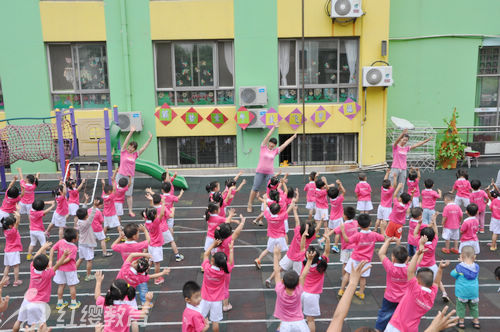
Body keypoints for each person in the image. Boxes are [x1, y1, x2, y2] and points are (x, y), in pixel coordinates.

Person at [385, 241, 450, 332]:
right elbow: (436, 283)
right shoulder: (432, 296)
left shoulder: (414, 290)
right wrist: (440, 269)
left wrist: (417, 254)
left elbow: (410, 271)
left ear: (418, 281)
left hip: (395, 327)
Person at [12, 242, 70, 332]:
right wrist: (64, 255)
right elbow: (58, 265)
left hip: (27, 300)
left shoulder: (32, 268)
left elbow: (35, 257)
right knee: (43, 325)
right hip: (39, 303)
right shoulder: (47, 274)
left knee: (19, 321)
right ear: (47, 266)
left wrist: (43, 247)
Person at [247, 123, 297, 212]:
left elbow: (285, 144)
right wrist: (274, 127)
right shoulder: (263, 147)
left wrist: (293, 137)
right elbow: (268, 135)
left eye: (273, 146)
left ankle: (271, 206)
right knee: (255, 188)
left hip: (269, 173)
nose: (271, 146)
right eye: (270, 145)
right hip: (260, 172)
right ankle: (249, 205)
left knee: (271, 191)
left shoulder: (275, 151)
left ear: (275, 146)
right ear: (268, 143)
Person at [338, 214, 385, 300]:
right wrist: (382, 227)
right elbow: (383, 238)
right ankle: (361, 293)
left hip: (355, 258)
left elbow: (347, 240)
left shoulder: (357, 235)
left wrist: (343, 231)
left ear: (358, 225)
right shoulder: (374, 235)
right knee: (363, 278)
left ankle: (341, 290)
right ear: (370, 223)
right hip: (366, 261)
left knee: (347, 274)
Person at [272, 245, 313, 332]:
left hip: (285, 324)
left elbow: (276, 272)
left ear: (282, 282)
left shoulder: (279, 289)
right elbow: (303, 275)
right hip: (299, 323)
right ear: (298, 283)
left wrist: (275, 255)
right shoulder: (298, 291)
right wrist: (309, 260)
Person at [116, 126, 153, 217]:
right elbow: (125, 142)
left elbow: (144, 148)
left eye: (133, 147)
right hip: (120, 175)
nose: (130, 148)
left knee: (129, 194)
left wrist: (150, 139)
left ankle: (130, 210)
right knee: (115, 192)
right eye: (130, 146)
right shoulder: (123, 152)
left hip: (129, 177)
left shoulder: (135, 155)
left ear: (135, 149)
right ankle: (114, 209)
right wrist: (131, 132)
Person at [375, 238, 410, 332]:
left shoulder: (390, 267)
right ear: (407, 258)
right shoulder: (410, 269)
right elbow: (418, 259)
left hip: (389, 298)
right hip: (404, 299)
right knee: (401, 319)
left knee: (383, 317)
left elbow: (381, 253)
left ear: (392, 258)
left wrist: (387, 241)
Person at [414, 215, 450, 302]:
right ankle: (444, 293)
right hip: (432, 266)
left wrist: (419, 224)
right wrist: (434, 222)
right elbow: (437, 233)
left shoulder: (419, 243)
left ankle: (419, 296)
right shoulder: (433, 244)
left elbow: (415, 233)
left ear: (422, 237)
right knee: (438, 280)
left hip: (420, 266)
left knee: (418, 281)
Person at [213, 215, 246, 312]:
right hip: (226, 266)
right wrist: (242, 222)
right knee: (225, 286)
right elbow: (237, 232)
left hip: (217, 264)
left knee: (219, 284)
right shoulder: (228, 240)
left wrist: (230, 217)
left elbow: (224, 228)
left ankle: (218, 299)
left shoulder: (218, 239)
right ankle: (225, 305)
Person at [200, 240, 234, 332]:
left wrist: (213, 244)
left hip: (205, 299)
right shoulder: (223, 272)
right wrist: (231, 250)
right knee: (215, 322)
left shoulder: (207, 268)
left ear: (212, 260)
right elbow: (230, 263)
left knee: (200, 320)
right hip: (217, 301)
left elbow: (206, 254)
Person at [302, 240, 330, 332]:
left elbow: (302, 247)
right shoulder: (321, 265)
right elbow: (327, 252)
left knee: (301, 318)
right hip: (313, 296)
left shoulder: (304, 264)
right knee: (310, 320)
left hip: (302, 293)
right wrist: (328, 240)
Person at [50, 227, 80, 310]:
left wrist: (51, 262)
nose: (79, 236)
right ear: (73, 240)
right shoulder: (74, 247)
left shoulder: (61, 242)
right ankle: (73, 303)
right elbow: (68, 259)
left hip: (60, 269)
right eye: (78, 236)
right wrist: (59, 263)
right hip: (70, 269)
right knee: (72, 286)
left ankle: (60, 303)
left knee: (61, 285)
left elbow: (52, 249)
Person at [451, 245, 480, 329]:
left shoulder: (459, 267)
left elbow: (453, 274)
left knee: (461, 307)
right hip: (473, 292)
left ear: (462, 256)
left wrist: (461, 262)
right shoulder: (476, 267)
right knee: (474, 307)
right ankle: (476, 321)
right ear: (474, 257)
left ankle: (461, 321)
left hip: (462, 292)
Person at [333, 207, 358, 281]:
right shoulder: (355, 222)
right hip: (354, 248)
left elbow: (335, 231)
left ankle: (344, 277)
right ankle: (352, 276)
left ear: (345, 216)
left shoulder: (343, 225)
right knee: (353, 263)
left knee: (345, 263)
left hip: (346, 248)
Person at [75, 205, 97, 281]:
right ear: (86, 216)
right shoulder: (86, 223)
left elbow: (82, 212)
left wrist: (85, 203)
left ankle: (74, 273)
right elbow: (91, 217)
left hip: (81, 243)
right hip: (87, 244)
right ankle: (88, 275)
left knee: (80, 258)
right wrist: (95, 207)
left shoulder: (79, 221)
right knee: (89, 260)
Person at [2, 212, 22, 287]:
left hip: (7, 251)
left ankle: (5, 281)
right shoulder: (13, 231)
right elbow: (17, 223)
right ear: (10, 225)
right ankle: (16, 281)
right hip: (14, 251)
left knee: (7, 266)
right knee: (16, 266)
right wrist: (18, 216)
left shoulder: (5, 230)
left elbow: (4, 221)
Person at [375, 170, 396, 235]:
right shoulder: (390, 191)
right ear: (389, 186)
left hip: (381, 206)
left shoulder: (382, 188)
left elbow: (384, 180)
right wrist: (395, 177)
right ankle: (385, 231)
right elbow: (395, 185)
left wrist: (387, 173)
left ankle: (375, 228)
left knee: (378, 219)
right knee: (385, 220)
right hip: (387, 208)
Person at [327, 180, 345, 253]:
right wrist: (340, 183)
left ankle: (323, 240)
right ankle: (335, 246)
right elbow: (343, 191)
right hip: (338, 218)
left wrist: (338, 186)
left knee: (330, 230)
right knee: (337, 233)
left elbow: (338, 191)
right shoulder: (339, 199)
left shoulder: (331, 199)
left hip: (331, 217)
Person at [487, 183, 500, 251]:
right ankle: (493, 244)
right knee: (496, 232)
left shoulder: (494, 200)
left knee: (494, 232)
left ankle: (493, 245)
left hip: (494, 218)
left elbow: (490, 208)